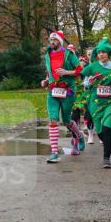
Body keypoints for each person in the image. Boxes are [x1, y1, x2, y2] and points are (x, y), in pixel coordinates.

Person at [80, 39, 111, 169]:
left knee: (108, 128)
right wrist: (89, 82)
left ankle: (106, 159)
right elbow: (84, 83)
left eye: (103, 52)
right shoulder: (91, 67)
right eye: (99, 53)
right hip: (95, 102)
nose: (101, 54)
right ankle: (102, 140)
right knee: (100, 131)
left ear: (108, 53)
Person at [40, 30, 85, 163]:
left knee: (66, 121)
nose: (52, 42)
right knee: (53, 120)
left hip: (67, 91)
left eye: (54, 40)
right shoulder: (48, 54)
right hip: (53, 91)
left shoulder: (69, 54)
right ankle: (54, 152)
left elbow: (79, 70)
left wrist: (67, 72)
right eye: (50, 40)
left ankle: (79, 135)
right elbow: (50, 72)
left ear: (60, 41)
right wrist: (46, 80)